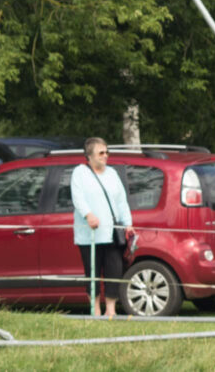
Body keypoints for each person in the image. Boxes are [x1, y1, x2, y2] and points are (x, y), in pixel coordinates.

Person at [70, 136, 133, 317]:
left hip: (112, 233)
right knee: (93, 272)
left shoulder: (112, 174)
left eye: (107, 152)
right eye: (101, 153)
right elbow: (78, 197)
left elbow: (122, 201)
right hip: (88, 234)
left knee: (114, 270)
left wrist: (128, 223)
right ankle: (95, 309)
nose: (105, 156)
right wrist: (88, 215)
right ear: (89, 156)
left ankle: (111, 310)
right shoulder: (79, 173)